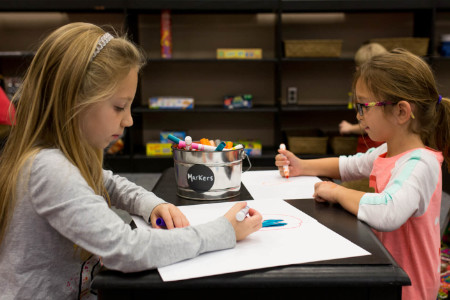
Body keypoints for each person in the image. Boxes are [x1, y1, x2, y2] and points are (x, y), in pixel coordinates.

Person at [0, 22, 262, 299]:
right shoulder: (49, 169)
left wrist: (151, 204)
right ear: (72, 100)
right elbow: (126, 250)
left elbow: (108, 183)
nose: (128, 120)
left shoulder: (56, 157)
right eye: (118, 107)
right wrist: (223, 231)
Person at [276, 48, 450, 300]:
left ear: (401, 112)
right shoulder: (388, 150)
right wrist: (302, 165)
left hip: (409, 287)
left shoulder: (419, 163)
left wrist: (337, 191)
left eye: (364, 107)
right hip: (388, 271)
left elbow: (388, 210)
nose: (358, 116)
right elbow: (348, 165)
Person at [339, 42, 387, 152]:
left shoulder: (367, 93)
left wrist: (350, 128)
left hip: (371, 146)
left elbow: (368, 122)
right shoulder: (384, 88)